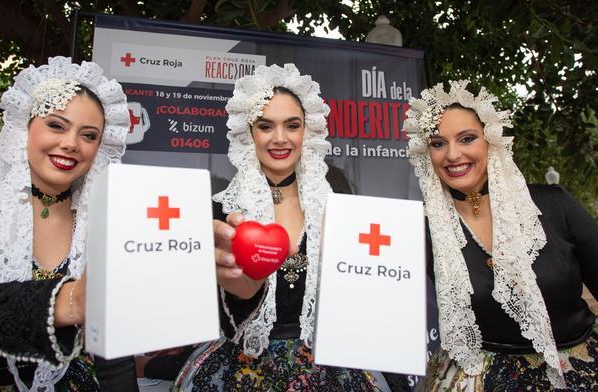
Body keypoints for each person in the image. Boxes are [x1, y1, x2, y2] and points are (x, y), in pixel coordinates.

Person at [172, 64, 387, 391]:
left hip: (328, 370)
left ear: (307, 131)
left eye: (292, 125)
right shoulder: (222, 210)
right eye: (265, 126)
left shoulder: (335, 203)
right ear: (249, 133)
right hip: (240, 369)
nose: (280, 138)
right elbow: (206, 308)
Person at [0, 57, 137, 391]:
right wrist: (67, 301)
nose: (71, 143)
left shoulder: (104, 226)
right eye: (57, 126)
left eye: (88, 135)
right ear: (24, 128)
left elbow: (113, 352)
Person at [403, 80, 597, 391]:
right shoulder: (421, 229)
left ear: (491, 141)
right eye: (438, 143)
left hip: (574, 373)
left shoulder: (554, 204)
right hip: (473, 379)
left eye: (466, 138)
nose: (452, 155)